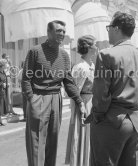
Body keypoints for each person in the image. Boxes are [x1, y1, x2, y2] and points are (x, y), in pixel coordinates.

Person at [87, 12, 138, 166]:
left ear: (117, 29)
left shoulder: (106, 55)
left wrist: (98, 115)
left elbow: (100, 93)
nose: (108, 31)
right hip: (135, 121)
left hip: (111, 120)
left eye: (109, 27)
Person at [22, 20, 86, 166]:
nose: (62, 34)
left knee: (53, 139)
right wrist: (31, 99)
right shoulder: (35, 51)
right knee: (36, 142)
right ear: (49, 32)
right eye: (58, 31)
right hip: (38, 97)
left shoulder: (64, 55)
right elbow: (26, 78)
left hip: (56, 98)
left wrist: (79, 101)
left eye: (63, 31)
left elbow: (68, 81)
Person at [65, 35, 97, 166]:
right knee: (82, 133)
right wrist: (79, 106)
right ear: (89, 48)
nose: (97, 47)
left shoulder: (92, 65)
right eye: (95, 44)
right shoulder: (80, 67)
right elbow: (73, 90)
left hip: (92, 102)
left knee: (91, 135)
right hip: (83, 103)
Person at [0, 59, 8, 126]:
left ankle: (0, 121)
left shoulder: (3, 72)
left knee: (1, 106)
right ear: (2, 65)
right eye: (6, 63)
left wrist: (6, 84)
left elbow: (4, 80)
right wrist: (2, 84)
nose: (7, 65)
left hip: (2, 91)